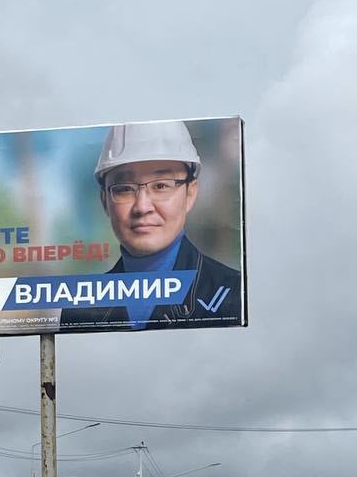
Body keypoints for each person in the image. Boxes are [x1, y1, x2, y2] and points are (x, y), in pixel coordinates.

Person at [60, 120, 243, 330]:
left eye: (161, 185)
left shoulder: (233, 295)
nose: (142, 206)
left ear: (190, 193)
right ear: (104, 201)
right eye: (124, 189)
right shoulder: (81, 308)